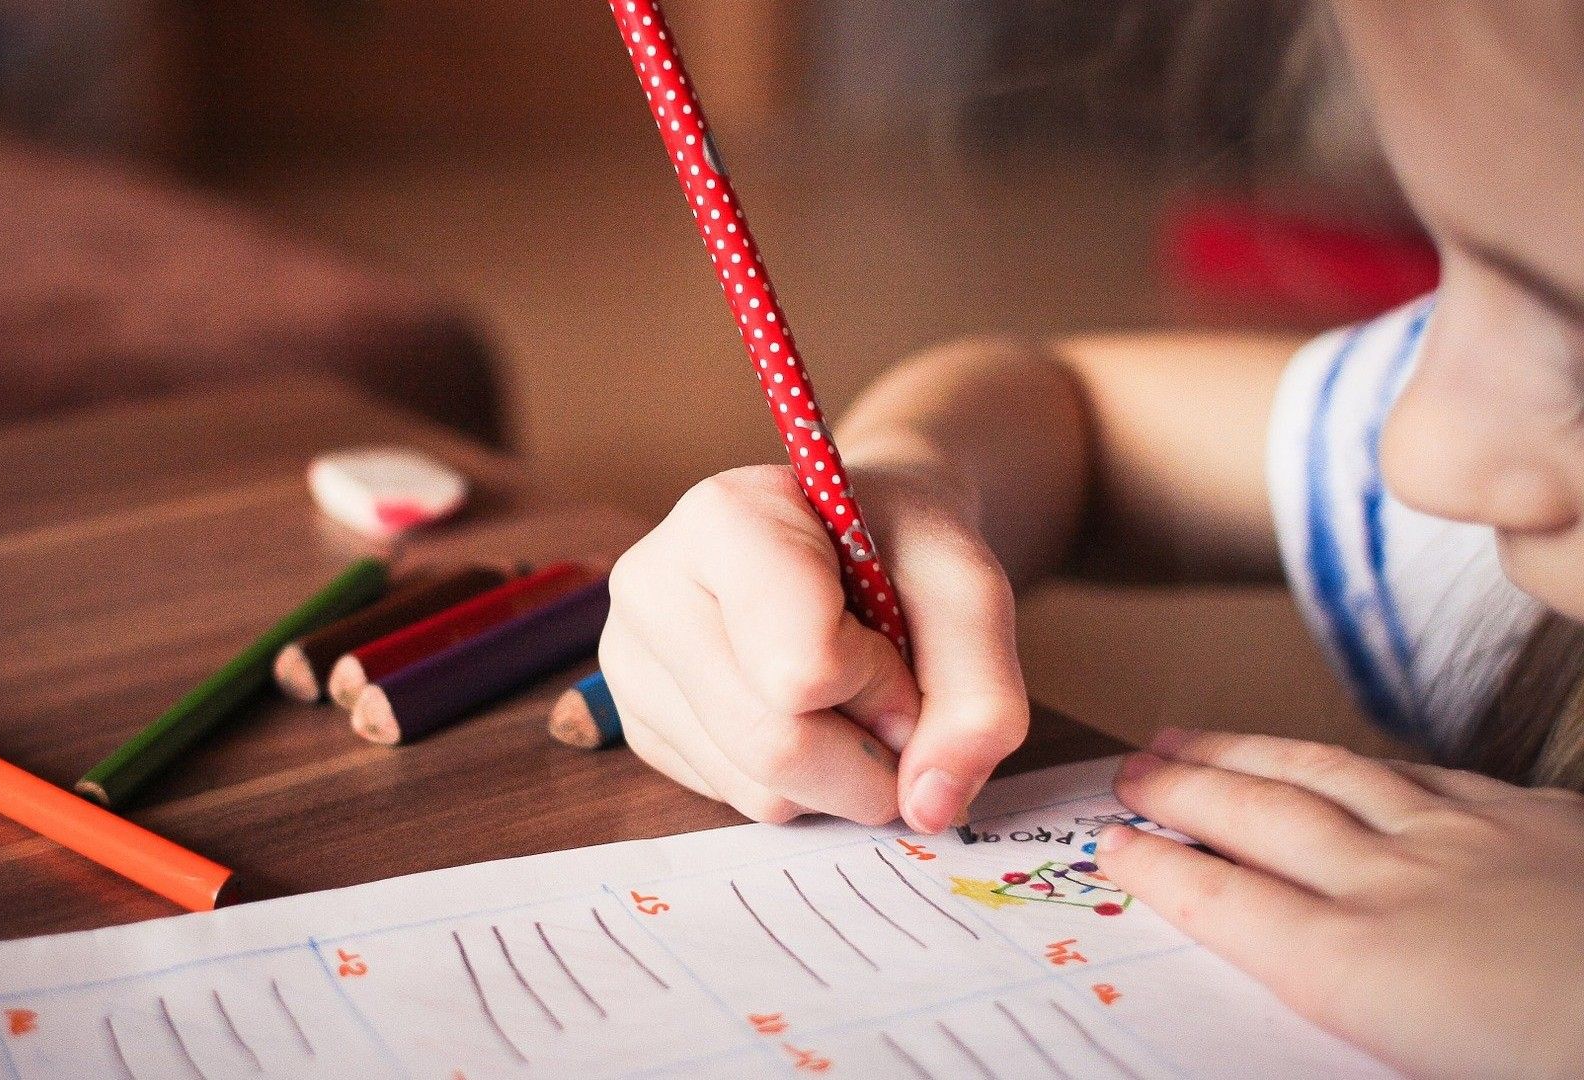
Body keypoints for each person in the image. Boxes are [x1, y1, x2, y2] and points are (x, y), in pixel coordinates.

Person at [597, 3, 1584, 1076]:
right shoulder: (1491, 474)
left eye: (1577, 347)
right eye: (1442, 279)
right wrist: (913, 489)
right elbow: (1078, 415)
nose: (1415, 454)